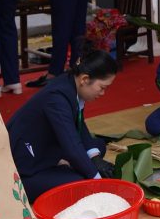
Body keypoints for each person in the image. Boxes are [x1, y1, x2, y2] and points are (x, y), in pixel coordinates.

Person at [7, 51, 118, 201]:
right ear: (85, 79)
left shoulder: (71, 83)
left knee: (97, 148)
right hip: (25, 167)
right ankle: (31, 182)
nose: (103, 93)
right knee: (80, 183)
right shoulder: (56, 99)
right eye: (102, 87)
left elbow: (79, 125)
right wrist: (97, 181)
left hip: (46, 147)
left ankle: (65, 165)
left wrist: (95, 158)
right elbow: (72, 146)